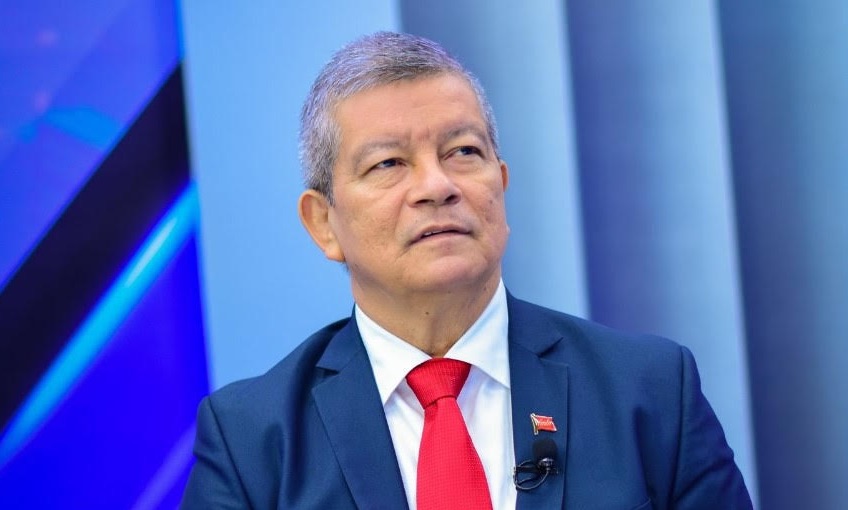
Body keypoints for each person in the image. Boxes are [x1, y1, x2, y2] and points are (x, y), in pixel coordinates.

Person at [181, 31, 752, 509]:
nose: (437, 186)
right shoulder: (251, 440)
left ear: (500, 186)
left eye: (463, 152)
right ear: (323, 223)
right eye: (389, 163)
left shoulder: (650, 391)